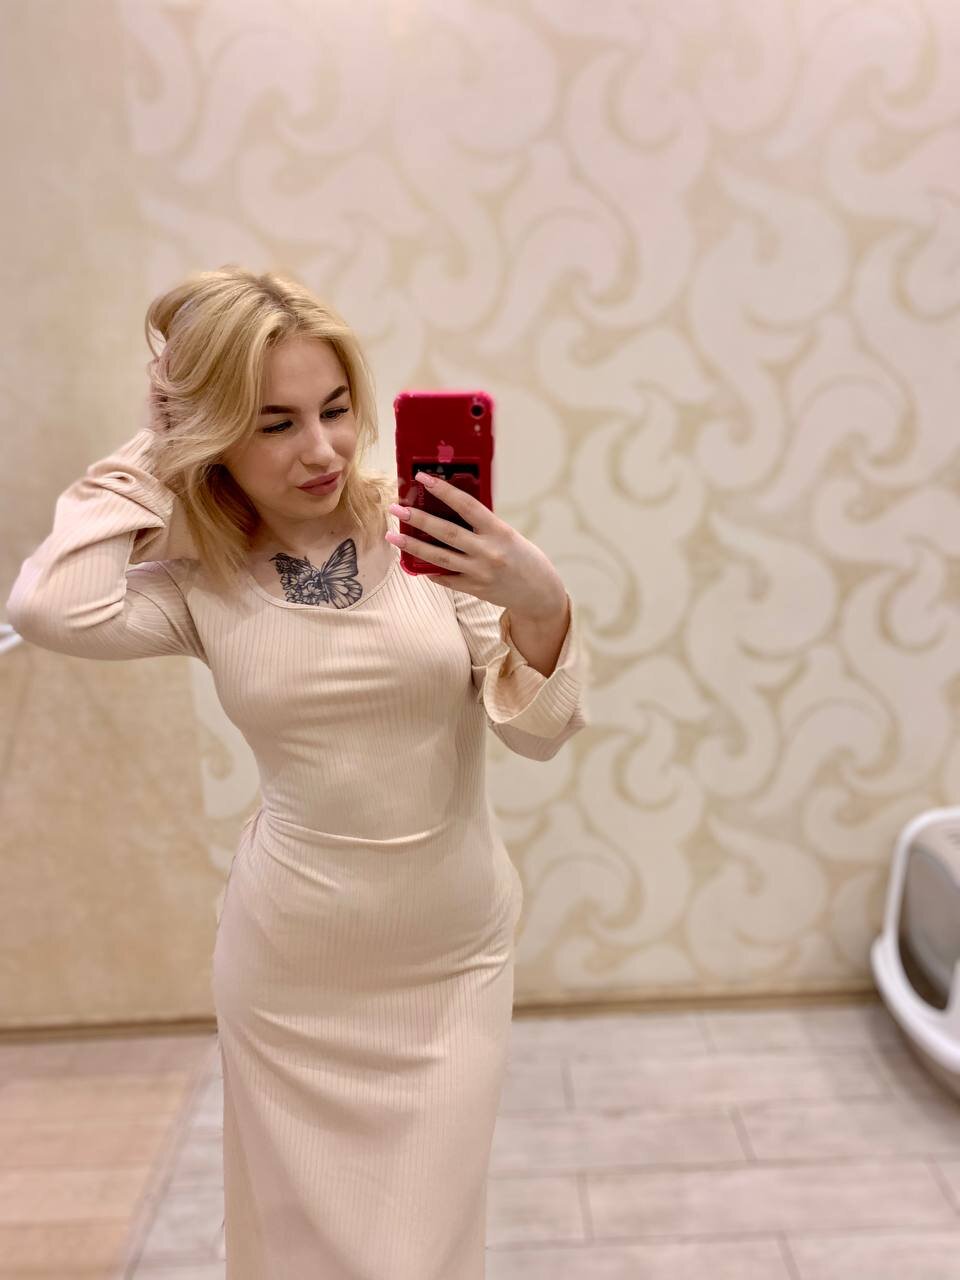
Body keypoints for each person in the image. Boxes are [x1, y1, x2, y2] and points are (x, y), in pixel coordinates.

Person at [5, 265, 588, 1279]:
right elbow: (54, 605)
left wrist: (542, 604)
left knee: (420, 1255)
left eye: (335, 408)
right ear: (216, 429)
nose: (321, 448)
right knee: (300, 1252)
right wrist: (155, 443)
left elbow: (538, 729)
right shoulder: (201, 573)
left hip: (450, 961)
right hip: (290, 974)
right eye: (274, 422)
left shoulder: (424, 532)